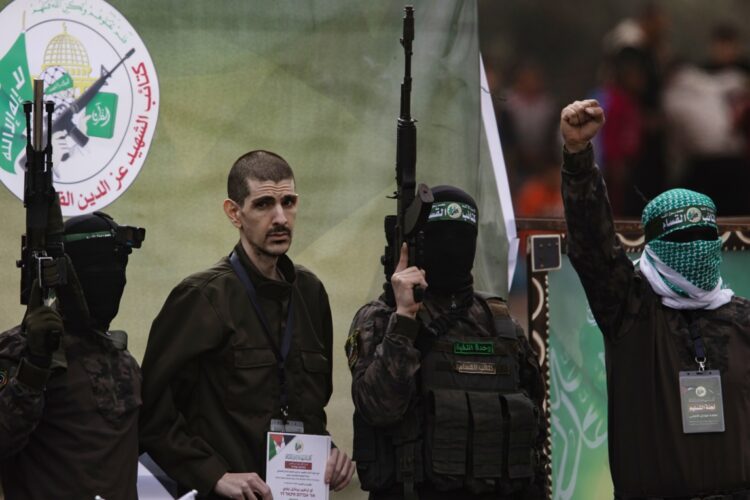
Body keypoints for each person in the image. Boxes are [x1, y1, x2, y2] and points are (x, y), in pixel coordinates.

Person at [560, 99, 750, 499]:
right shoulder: (630, 310)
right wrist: (578, 158)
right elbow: (593, 248)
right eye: (683, 239)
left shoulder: (741, 320)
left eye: (704, 238)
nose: (696, 250)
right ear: (656, 246)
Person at [140, 150, 354, 499]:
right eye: (264, 204)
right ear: (234, 213)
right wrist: (214, 475)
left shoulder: (311, 294)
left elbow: (307, 407)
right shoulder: (202, 297)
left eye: (289, 201)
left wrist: (327, 453)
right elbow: (152, 413)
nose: (281, 217)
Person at [346, 186, 547, 500]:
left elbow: (531, 429)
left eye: (462, 236)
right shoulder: (381, 318)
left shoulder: (500, 323)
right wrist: (404, 320)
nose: (452, 247)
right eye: (441, 236)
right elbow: (378, 408)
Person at [0, 211, 146, 499]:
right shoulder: (19, 351)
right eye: (98, 268)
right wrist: (34, 369)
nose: (115, 279)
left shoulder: (121, 360)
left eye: (118, 266)